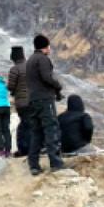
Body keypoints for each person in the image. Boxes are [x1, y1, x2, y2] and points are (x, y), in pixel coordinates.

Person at [26, 34, 64, 175]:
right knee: (51, 128)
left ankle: (34, 164)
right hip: (44, 99)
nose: (50, 48)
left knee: (36, 132)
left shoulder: (30, 60)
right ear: (46, 47)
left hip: (33, 100)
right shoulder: (43, 59)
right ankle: (56, 163)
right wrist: (58, 86)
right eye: (49, 45)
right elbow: (47, 77)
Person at [8, 46, 31, 157]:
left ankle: (23, 149)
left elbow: (11, 87)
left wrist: (13, 91)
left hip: (22, 103)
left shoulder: (15, 69)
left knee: (23, 126)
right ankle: (36, 147)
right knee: (33, 124)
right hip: (33, 101)